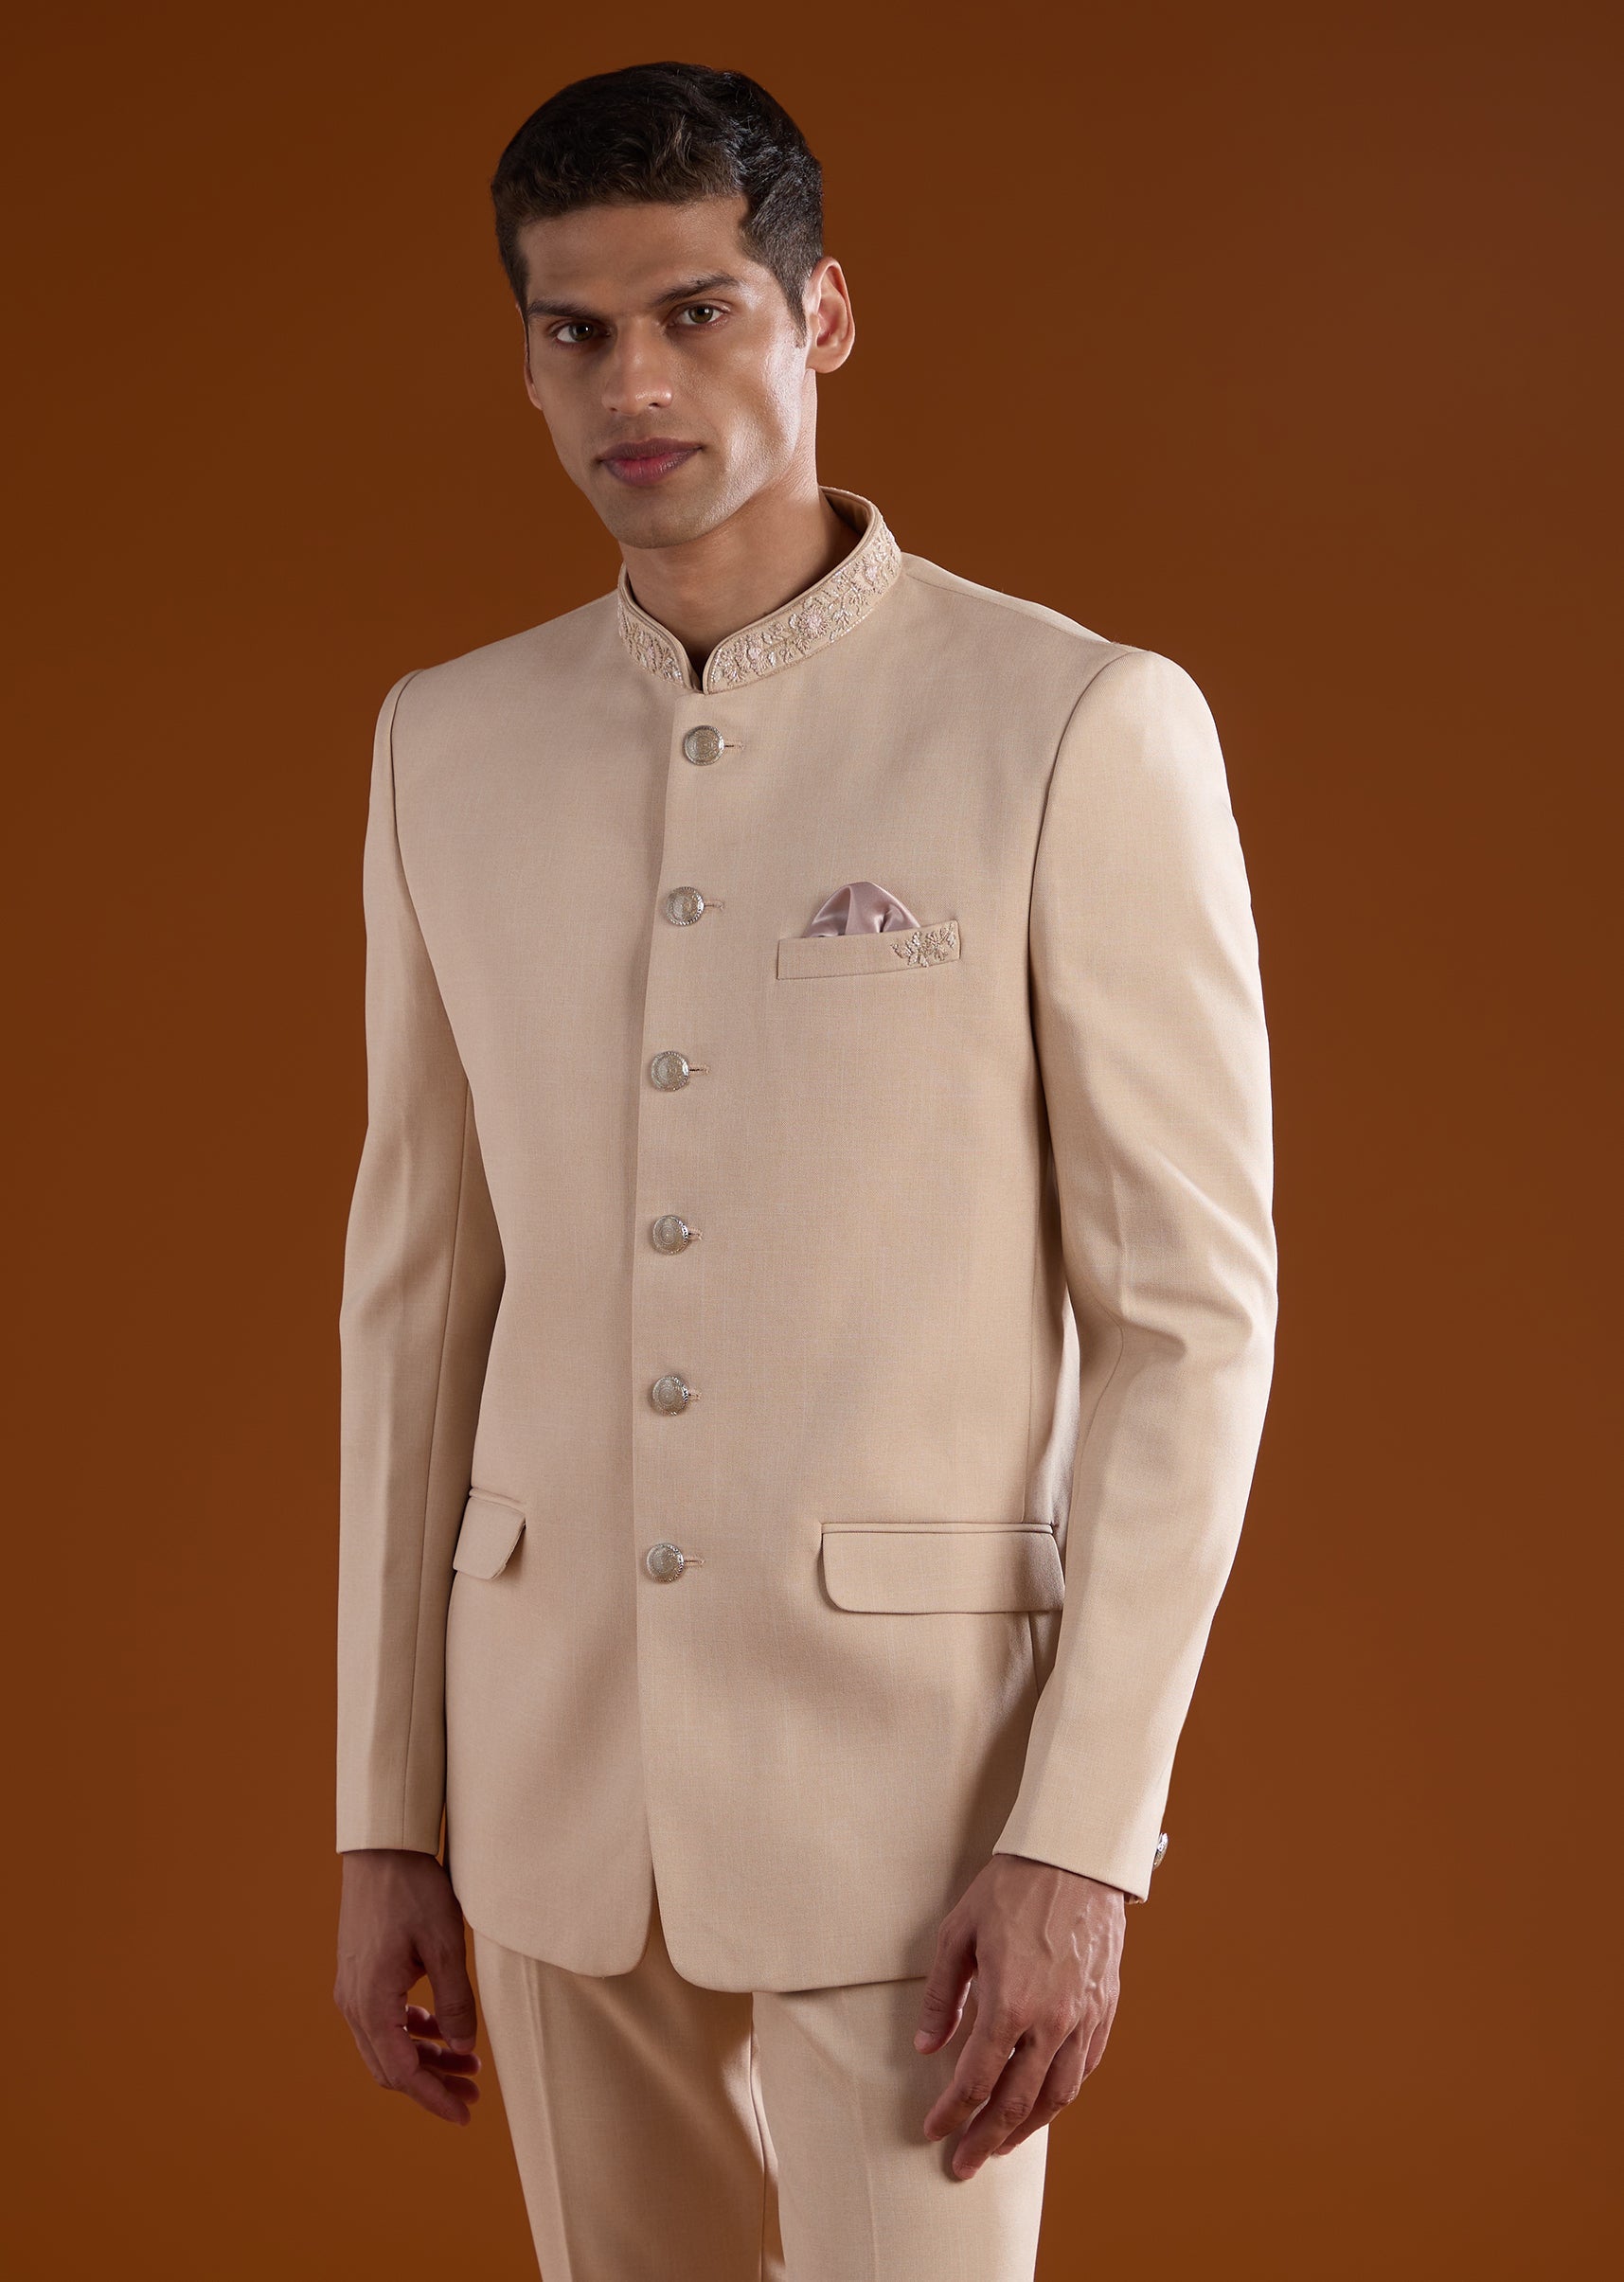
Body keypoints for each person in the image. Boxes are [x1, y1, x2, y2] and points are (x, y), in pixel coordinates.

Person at [331, 60, 1276, 2282]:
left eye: (698, 312)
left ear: (822, 315)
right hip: (548, 1778)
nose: (635, 384)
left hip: (921, 1794)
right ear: (529, 360)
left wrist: (1085, 1834)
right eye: (577, 331)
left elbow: (1190, 1320)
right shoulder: (445, 743)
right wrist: (388, 1807)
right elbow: (417, 1298)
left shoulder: (1072, 721)